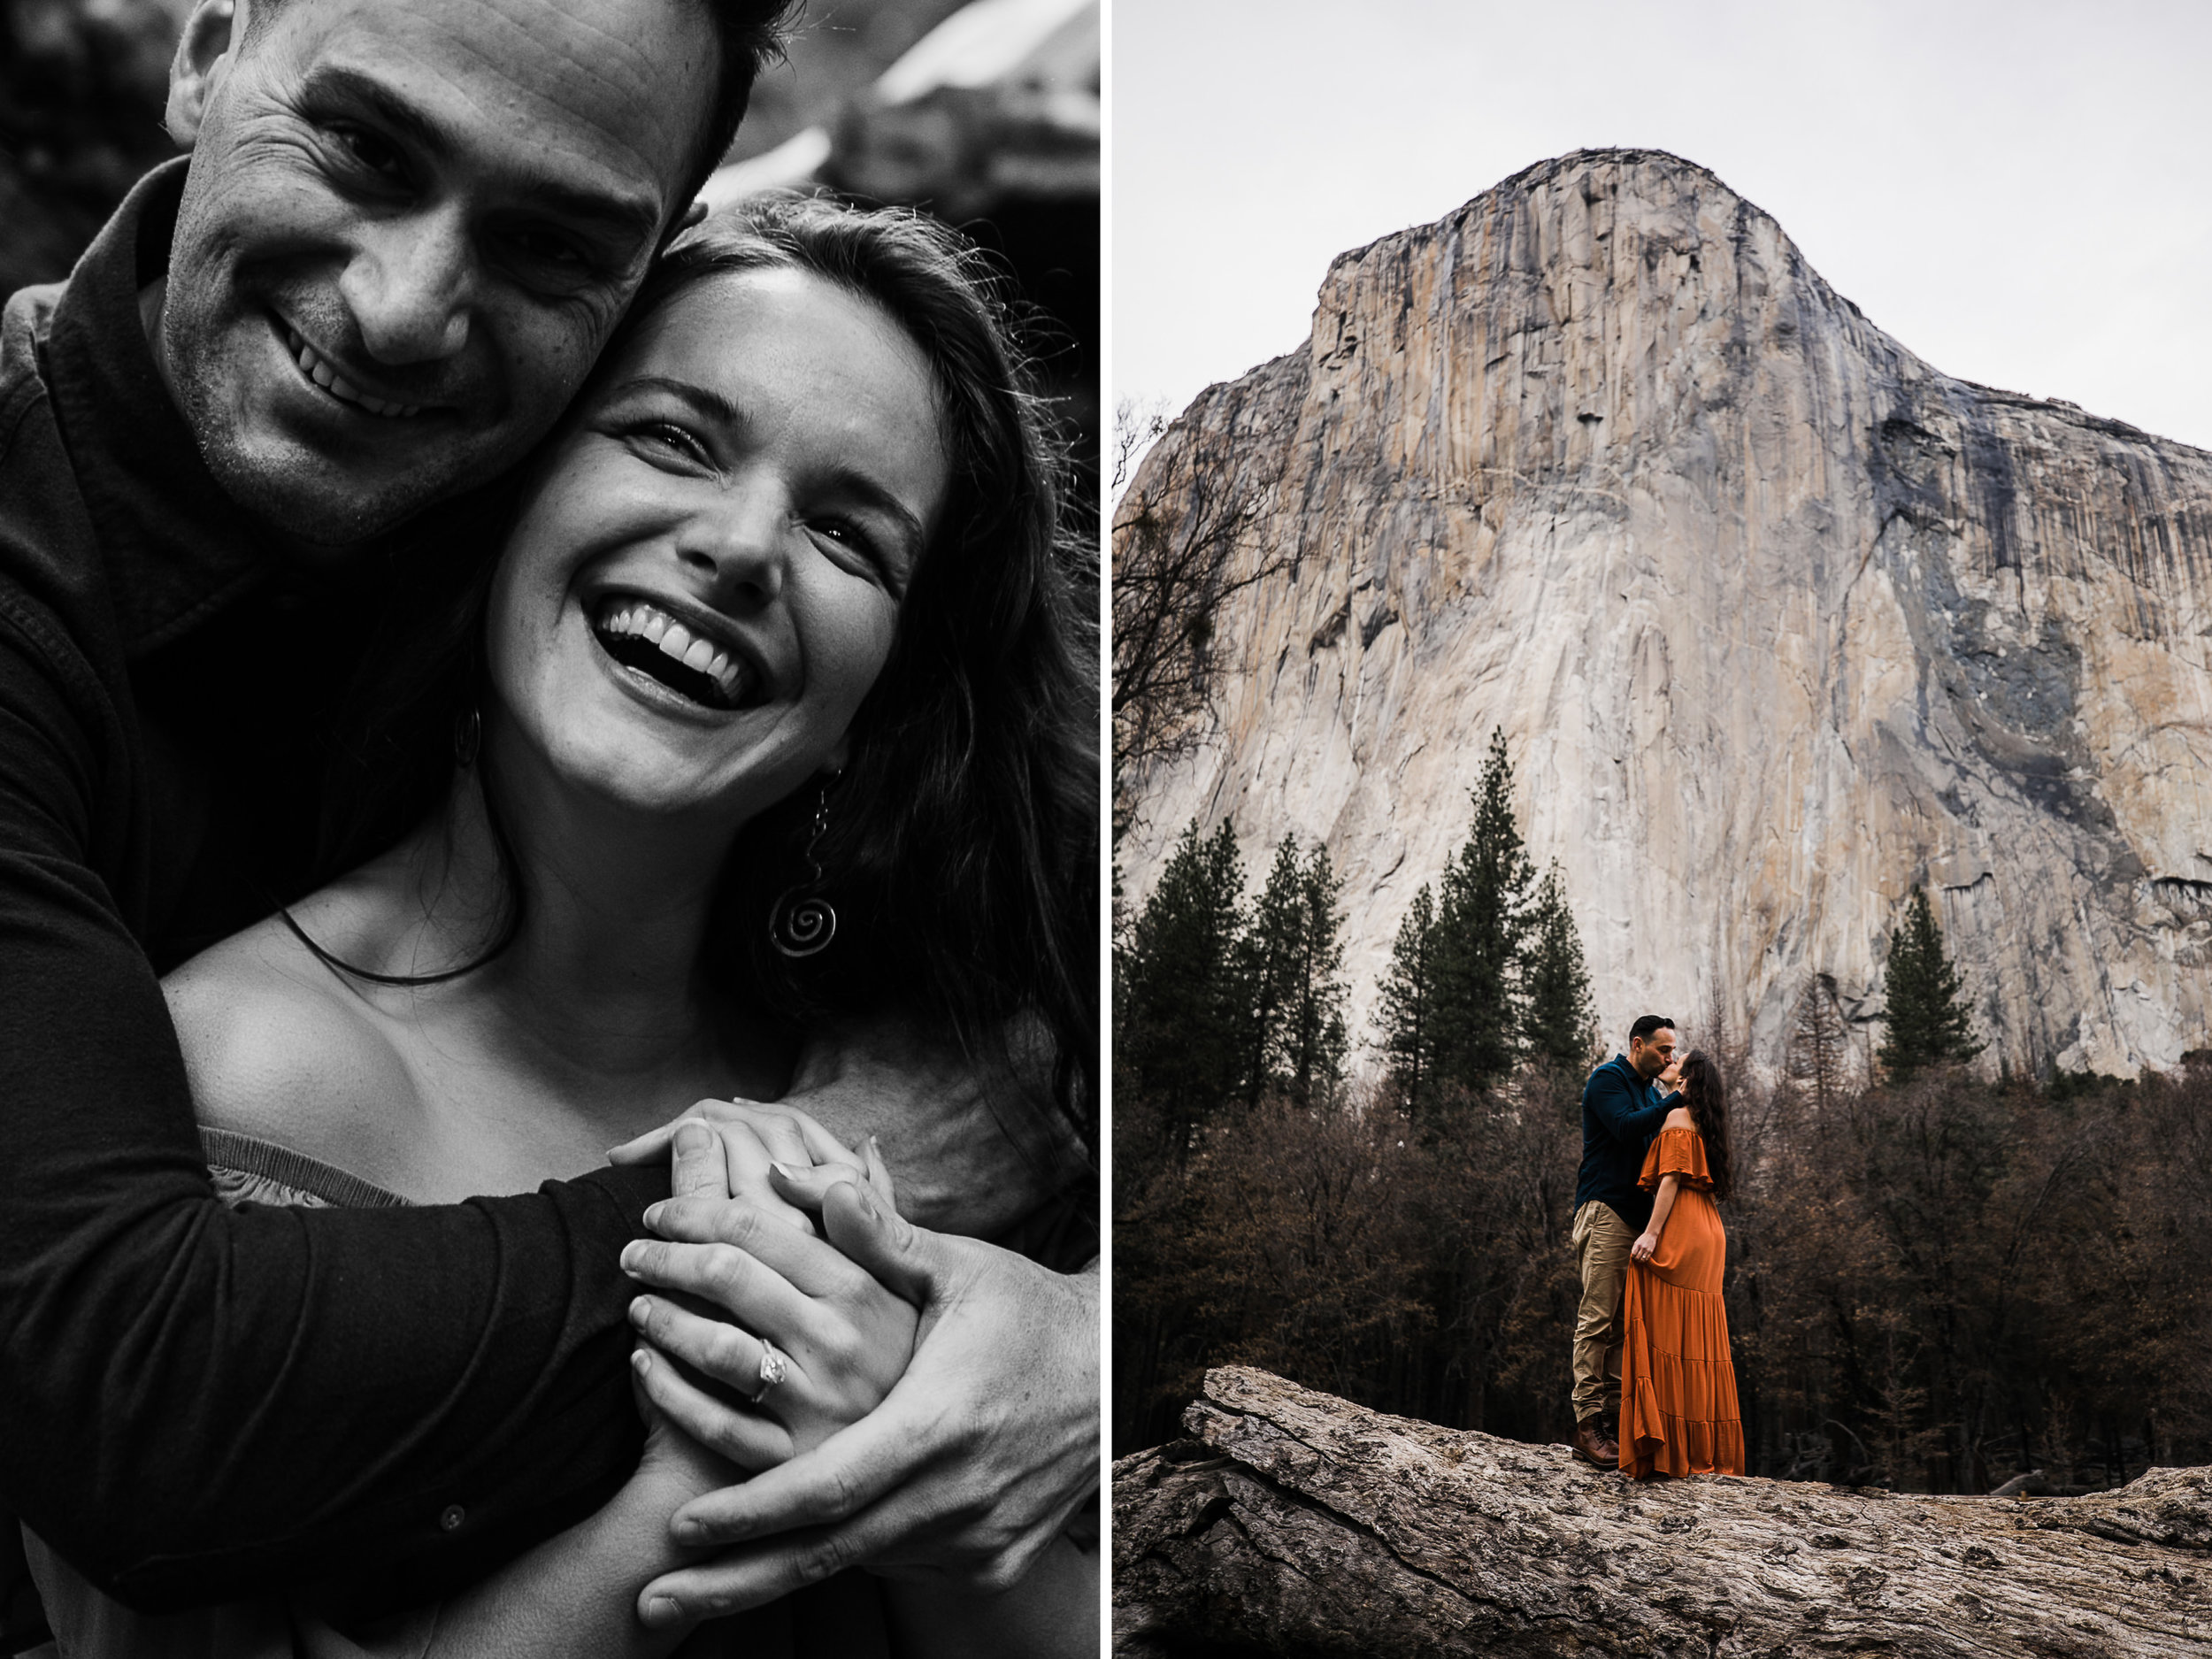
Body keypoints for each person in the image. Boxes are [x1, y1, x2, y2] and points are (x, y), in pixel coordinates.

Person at [0, 0, 1095, 1641]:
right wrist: (798, 1260)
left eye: (548, 245)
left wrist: (1080, 1344)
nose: (402, 312)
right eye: (365, 147)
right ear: (211, 41)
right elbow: (127, 1388)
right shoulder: (246, 1050)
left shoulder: (980, 1025)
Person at [1620, 1048, 1744, 1479]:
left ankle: (1668, 1450)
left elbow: (1670, 1180)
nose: (1668, 1065)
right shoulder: (1706, 1124)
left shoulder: (1677, 1118)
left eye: (1678, 1062)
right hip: (1710, 1233)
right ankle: (1701, 1450)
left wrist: (1651, 1233)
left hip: (1684, 1228)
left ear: (1686, 1080)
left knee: (1667, 1331)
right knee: (1699, 1341)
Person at [1567, 1014, 1677, 1467]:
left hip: (1636, 1221)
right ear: (1638, 1044)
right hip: (1605, 1211)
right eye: (1663, 1050)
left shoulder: (1652, 1093)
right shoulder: (1607, 1079)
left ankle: (1613, 1422)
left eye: (1672, 1051)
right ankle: (1588, 1424)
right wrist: (1677, 1100)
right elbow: (1627, 1128)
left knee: (1620, 1327)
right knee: (1597, 1319)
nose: (1669, 1057)